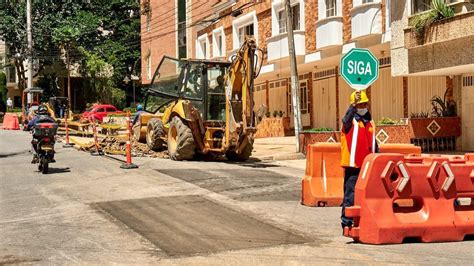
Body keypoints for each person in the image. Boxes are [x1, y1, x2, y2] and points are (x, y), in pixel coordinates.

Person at [340, 90, 378, 229]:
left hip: (367, 165)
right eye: (360, 105)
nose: (363, 107)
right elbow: (346, 120)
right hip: (353, 165)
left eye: (364, 104)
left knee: (367, 194)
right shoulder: (351, 122)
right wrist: (352, 105)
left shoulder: (370, 121)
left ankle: (364, 220)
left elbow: (373, 142)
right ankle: (346, 221)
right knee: (350, 194)